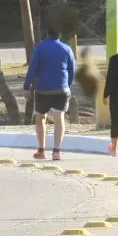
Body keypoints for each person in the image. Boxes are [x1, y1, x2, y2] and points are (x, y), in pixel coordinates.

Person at [23, 24, 76, 160]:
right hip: (62, 89)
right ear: (60, 35)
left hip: (43, 90)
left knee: (40, 117)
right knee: (59, 119)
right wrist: (67, 86)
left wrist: (26, 86)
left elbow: (32, 68)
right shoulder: (67, 49)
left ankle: (41, 150)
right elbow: (72, 71)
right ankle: (56, 151)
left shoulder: (40, 48)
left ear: (47, 34)